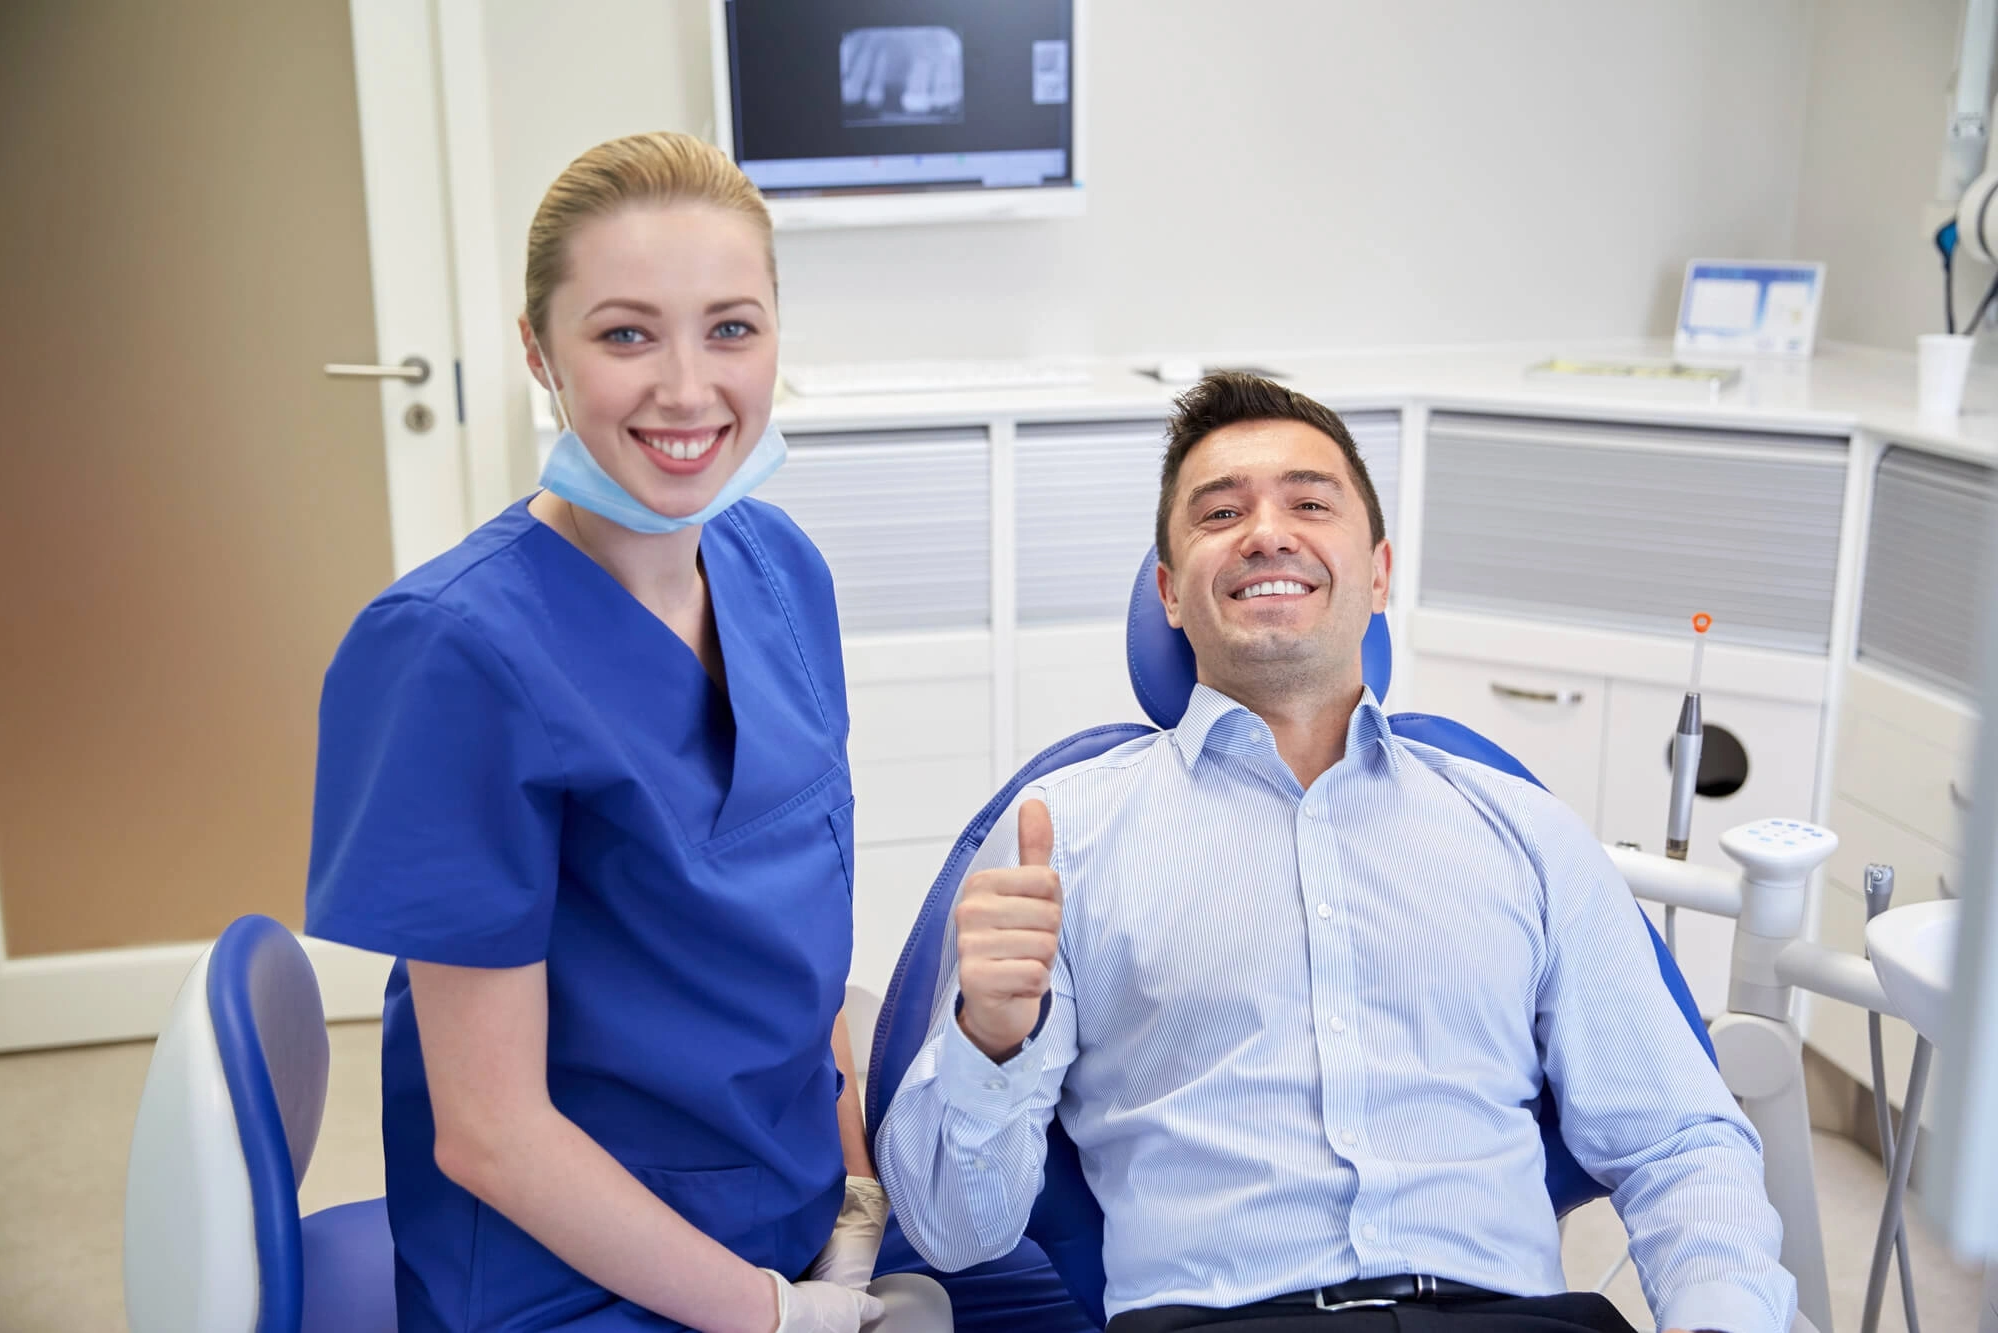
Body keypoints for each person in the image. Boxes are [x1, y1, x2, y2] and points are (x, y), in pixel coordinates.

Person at [875, 373, 1799, 1333]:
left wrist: (1721, 1315)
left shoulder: (1525, 830)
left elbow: (1681, 1138)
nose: (1266, 533)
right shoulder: (1057, 838)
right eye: (1220, 512)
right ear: (1170, 592)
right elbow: (954, 1231)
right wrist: (990, 1037)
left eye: (1310, 504)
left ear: (1379, 573)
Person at [305, 132, 948, 1333]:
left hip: (796, 1211)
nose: (688, 389)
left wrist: (854, 1199)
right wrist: (773, 1315)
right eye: (625, 334)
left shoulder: (779, 569)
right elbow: (490, 1132)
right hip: (570, 1278)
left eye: (730, 328)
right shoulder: (452, 652)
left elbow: (794, 949)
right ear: (538, 351)